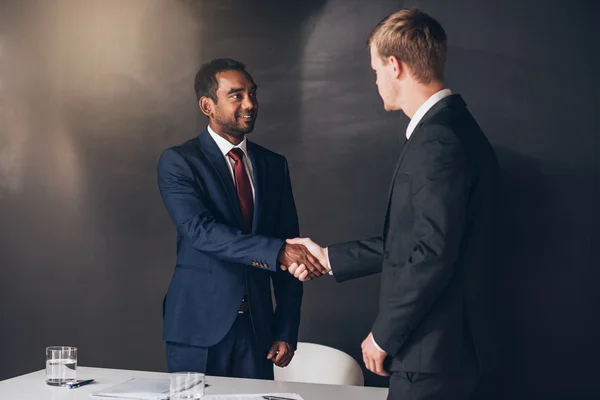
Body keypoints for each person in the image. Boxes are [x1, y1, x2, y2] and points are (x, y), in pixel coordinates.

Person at [284, 8, 499, 399]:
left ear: (395, 66)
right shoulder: (456, 129)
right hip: (446, 355)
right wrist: (329, 257)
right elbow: (416, 242)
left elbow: (431, 254)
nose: (376, 80)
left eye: (375, 70)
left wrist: (384, 335)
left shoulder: (437, 141)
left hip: (431, 357)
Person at [157, 58, 327, 379]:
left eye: (252, 93)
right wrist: (276, 251)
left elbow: (290, 247)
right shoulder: (179, 162)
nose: (250, 104)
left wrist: (286, 327)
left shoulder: (273, 165)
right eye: (236, 95)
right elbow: (201, 232)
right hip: (198, 331)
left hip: (257, 332)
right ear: (208, 105)